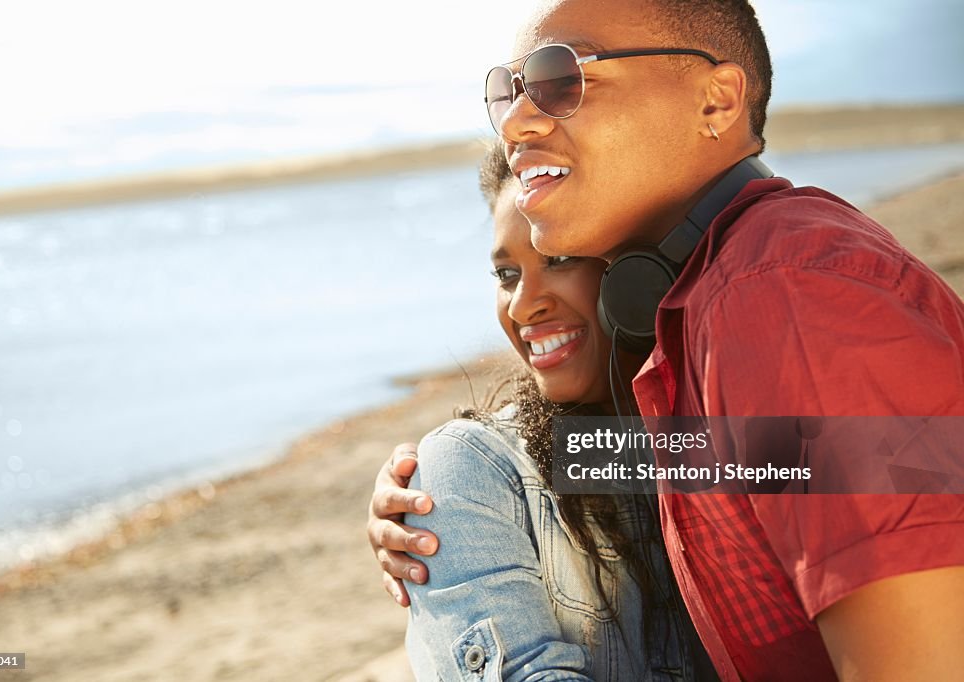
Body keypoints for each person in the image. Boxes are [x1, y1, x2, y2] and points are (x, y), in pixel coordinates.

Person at [369, 1, 964, 680]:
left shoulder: (779, 292)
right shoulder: (725, 306)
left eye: (563, 77)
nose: (515, 120)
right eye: (506, 92)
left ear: (715, 103)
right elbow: (763, 465)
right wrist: (451, 490)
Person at [399, 143, 710, 680]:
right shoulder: (477, 466)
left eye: (560, 259)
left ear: (640, 272)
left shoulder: (709, 436)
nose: (522, 305)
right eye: (506, 274)